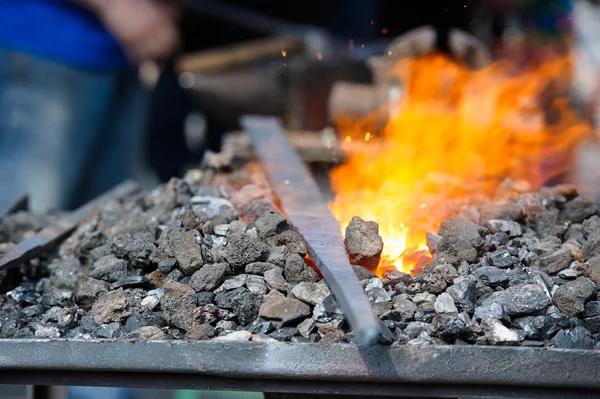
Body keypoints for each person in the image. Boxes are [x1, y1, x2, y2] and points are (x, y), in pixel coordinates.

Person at [0, 0, 181, 212]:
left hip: (119, 56)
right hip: (42, 45)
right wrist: (115, 6)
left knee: (107, 225)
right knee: (21, 221)